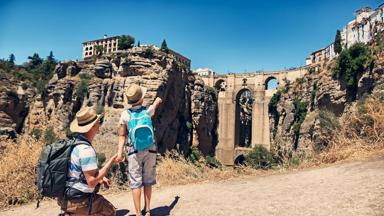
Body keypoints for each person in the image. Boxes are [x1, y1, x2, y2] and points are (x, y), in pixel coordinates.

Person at [57, 106, 117, 216]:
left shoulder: (73, 144)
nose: (99, 123)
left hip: (66, 197)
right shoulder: (86, 150)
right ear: (92, 127)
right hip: (79, 200)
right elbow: (92, 182)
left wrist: (101, 177)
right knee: (110, 211)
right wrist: (111, 161)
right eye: (98, 122)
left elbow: (79, 171)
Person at [116, 84, 162, 216]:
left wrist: (120, 153)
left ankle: (137, 213)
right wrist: (158, 100)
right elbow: (156, 105)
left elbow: (122, 135)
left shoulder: (125, 115)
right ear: (141, 99)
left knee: (136, 182)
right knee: (148, 180)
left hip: (134, 151)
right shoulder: (147, 111)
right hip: (150, 149)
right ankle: (147, 211)